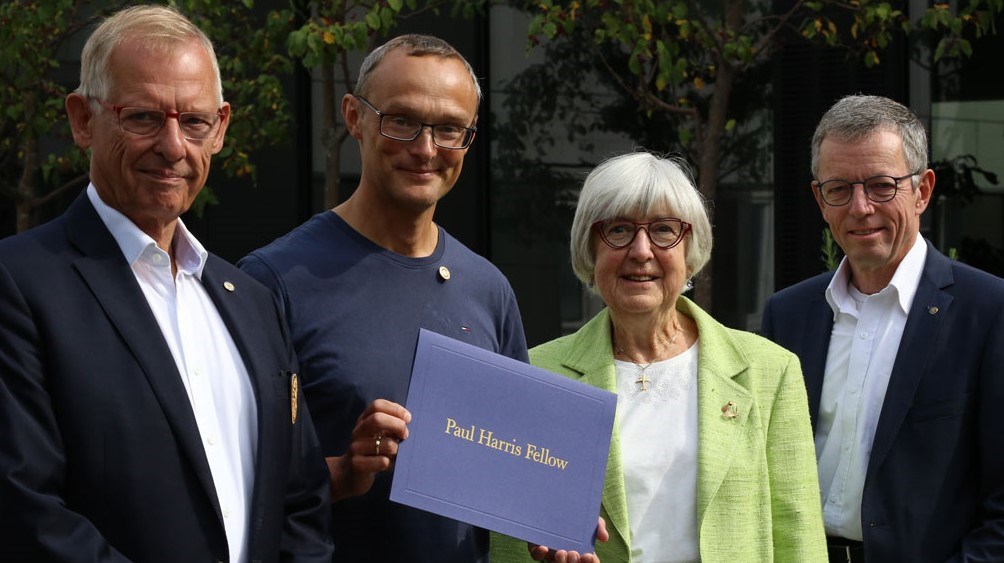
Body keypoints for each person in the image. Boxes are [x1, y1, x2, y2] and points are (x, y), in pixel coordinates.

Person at [240, 34, 598, 563]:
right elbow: (237, 477)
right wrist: (342, 471)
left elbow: (513, 467)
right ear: (353, 117)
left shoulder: (487, 288)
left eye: (450, 129)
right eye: (402, 120)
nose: (426, 149)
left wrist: (548, 517)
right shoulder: (274, 281)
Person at [0, 6, 333, 562]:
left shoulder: (252, 302)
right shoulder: (19, 285)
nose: (174, 146)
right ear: (82, 120)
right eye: (144, 118)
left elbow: (299, 500)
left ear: (220, 128)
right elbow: (23, 511)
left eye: (194, 122)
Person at [491, 151, 828, 562]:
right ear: (589, 247)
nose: (641, 250)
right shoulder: (534, 376)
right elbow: (509, 547)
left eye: (664, 230)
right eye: (618, 229)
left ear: (690, 251)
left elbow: (799, 540)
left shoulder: (770, 372)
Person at [760, 94, 1004, 562]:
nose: (860, 207)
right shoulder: (787, 316)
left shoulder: (989, 314)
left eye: (881, 185)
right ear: (819, 198)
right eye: (839, 188)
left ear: (923, 191)